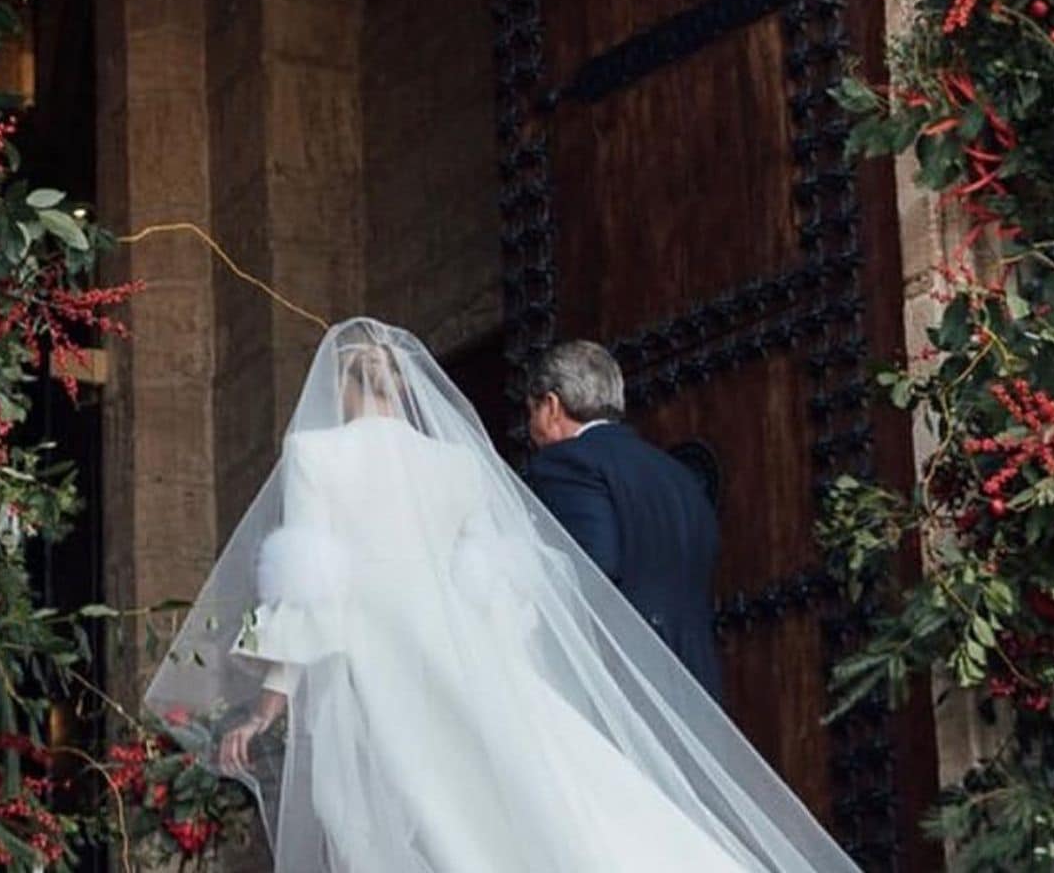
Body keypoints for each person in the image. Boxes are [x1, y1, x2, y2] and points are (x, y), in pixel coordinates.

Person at [143, 318, 856, 872]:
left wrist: (267, 706)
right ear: (403, 384)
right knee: (516, 803)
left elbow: (312, 588)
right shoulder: (455, 463)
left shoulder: (316, 456)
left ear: (338, 388)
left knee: (399, 825)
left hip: (379, 665)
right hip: (464, 656)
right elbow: (497, 584)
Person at [523, 339, 723, 700]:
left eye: (532, 412)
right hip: (698, 685)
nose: (531, 430)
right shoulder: (679, 477)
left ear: (552, 406)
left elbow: (590, 572)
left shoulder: (566, 463)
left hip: (626, 686)